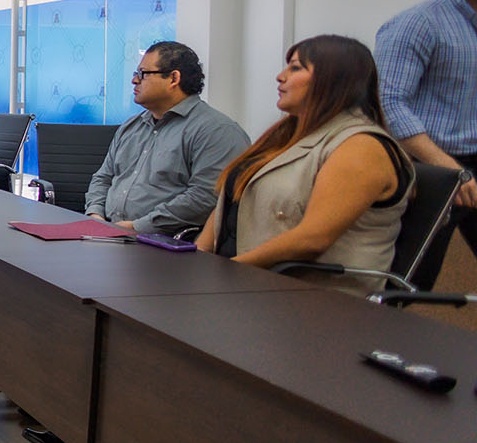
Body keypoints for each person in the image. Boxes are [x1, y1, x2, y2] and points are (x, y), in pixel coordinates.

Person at [197, 35, 414, 293]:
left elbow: (312, 239)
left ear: (334, 79)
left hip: (312, 304)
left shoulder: (362, 146)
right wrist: (199, 262)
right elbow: (235, 198)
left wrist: (226, 273)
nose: (281, 76)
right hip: (250, 287)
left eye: (296, 68)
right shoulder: (286, 136)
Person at [376, 0, 477, 263]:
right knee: (411, 277)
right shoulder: (419, 24)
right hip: (429, 164)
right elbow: (389, 102)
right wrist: (450, 170)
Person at [84, 42, 250, 235]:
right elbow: (103, 177)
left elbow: (205, 198)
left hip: (168, 244)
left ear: (173, 78)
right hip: (109, 235)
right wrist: (95, 214)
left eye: (143, 73)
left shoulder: (217, 131)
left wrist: (137, 227)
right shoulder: (131, 127)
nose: (135, 81)